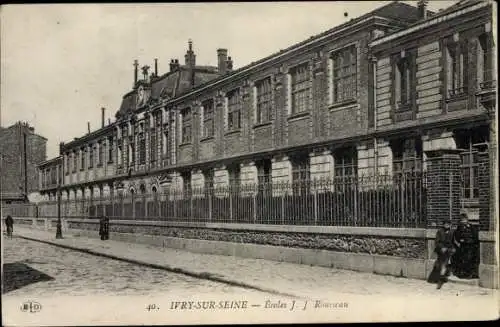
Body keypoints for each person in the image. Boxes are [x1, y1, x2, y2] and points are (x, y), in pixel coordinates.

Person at [427, 219, 456, 289]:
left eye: (448, 224)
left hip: (448, 250)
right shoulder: (440, 231)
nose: (447, 225)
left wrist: (453, 248)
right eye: (445, 224)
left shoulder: (452, 232)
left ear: (450, 225)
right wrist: (442, 247)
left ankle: (440, 279)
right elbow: (437, 242)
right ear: (443, 224)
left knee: (444, 264)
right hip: (441, 251)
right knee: (441, 264)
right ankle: (440, 279)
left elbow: (453, 241)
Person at [452, 213, 479, 279]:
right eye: (462, 220)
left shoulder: (472, 227)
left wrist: (471, 242)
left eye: (464, 220)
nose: (463, 221)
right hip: (463, 246)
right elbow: (456, 235)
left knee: (470, 259)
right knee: (463, 260)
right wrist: (459, 241)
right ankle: (463, 274)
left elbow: (475, 236)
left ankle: (469, 274)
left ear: (467, 220)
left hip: (470, 246)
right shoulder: (459, 227)